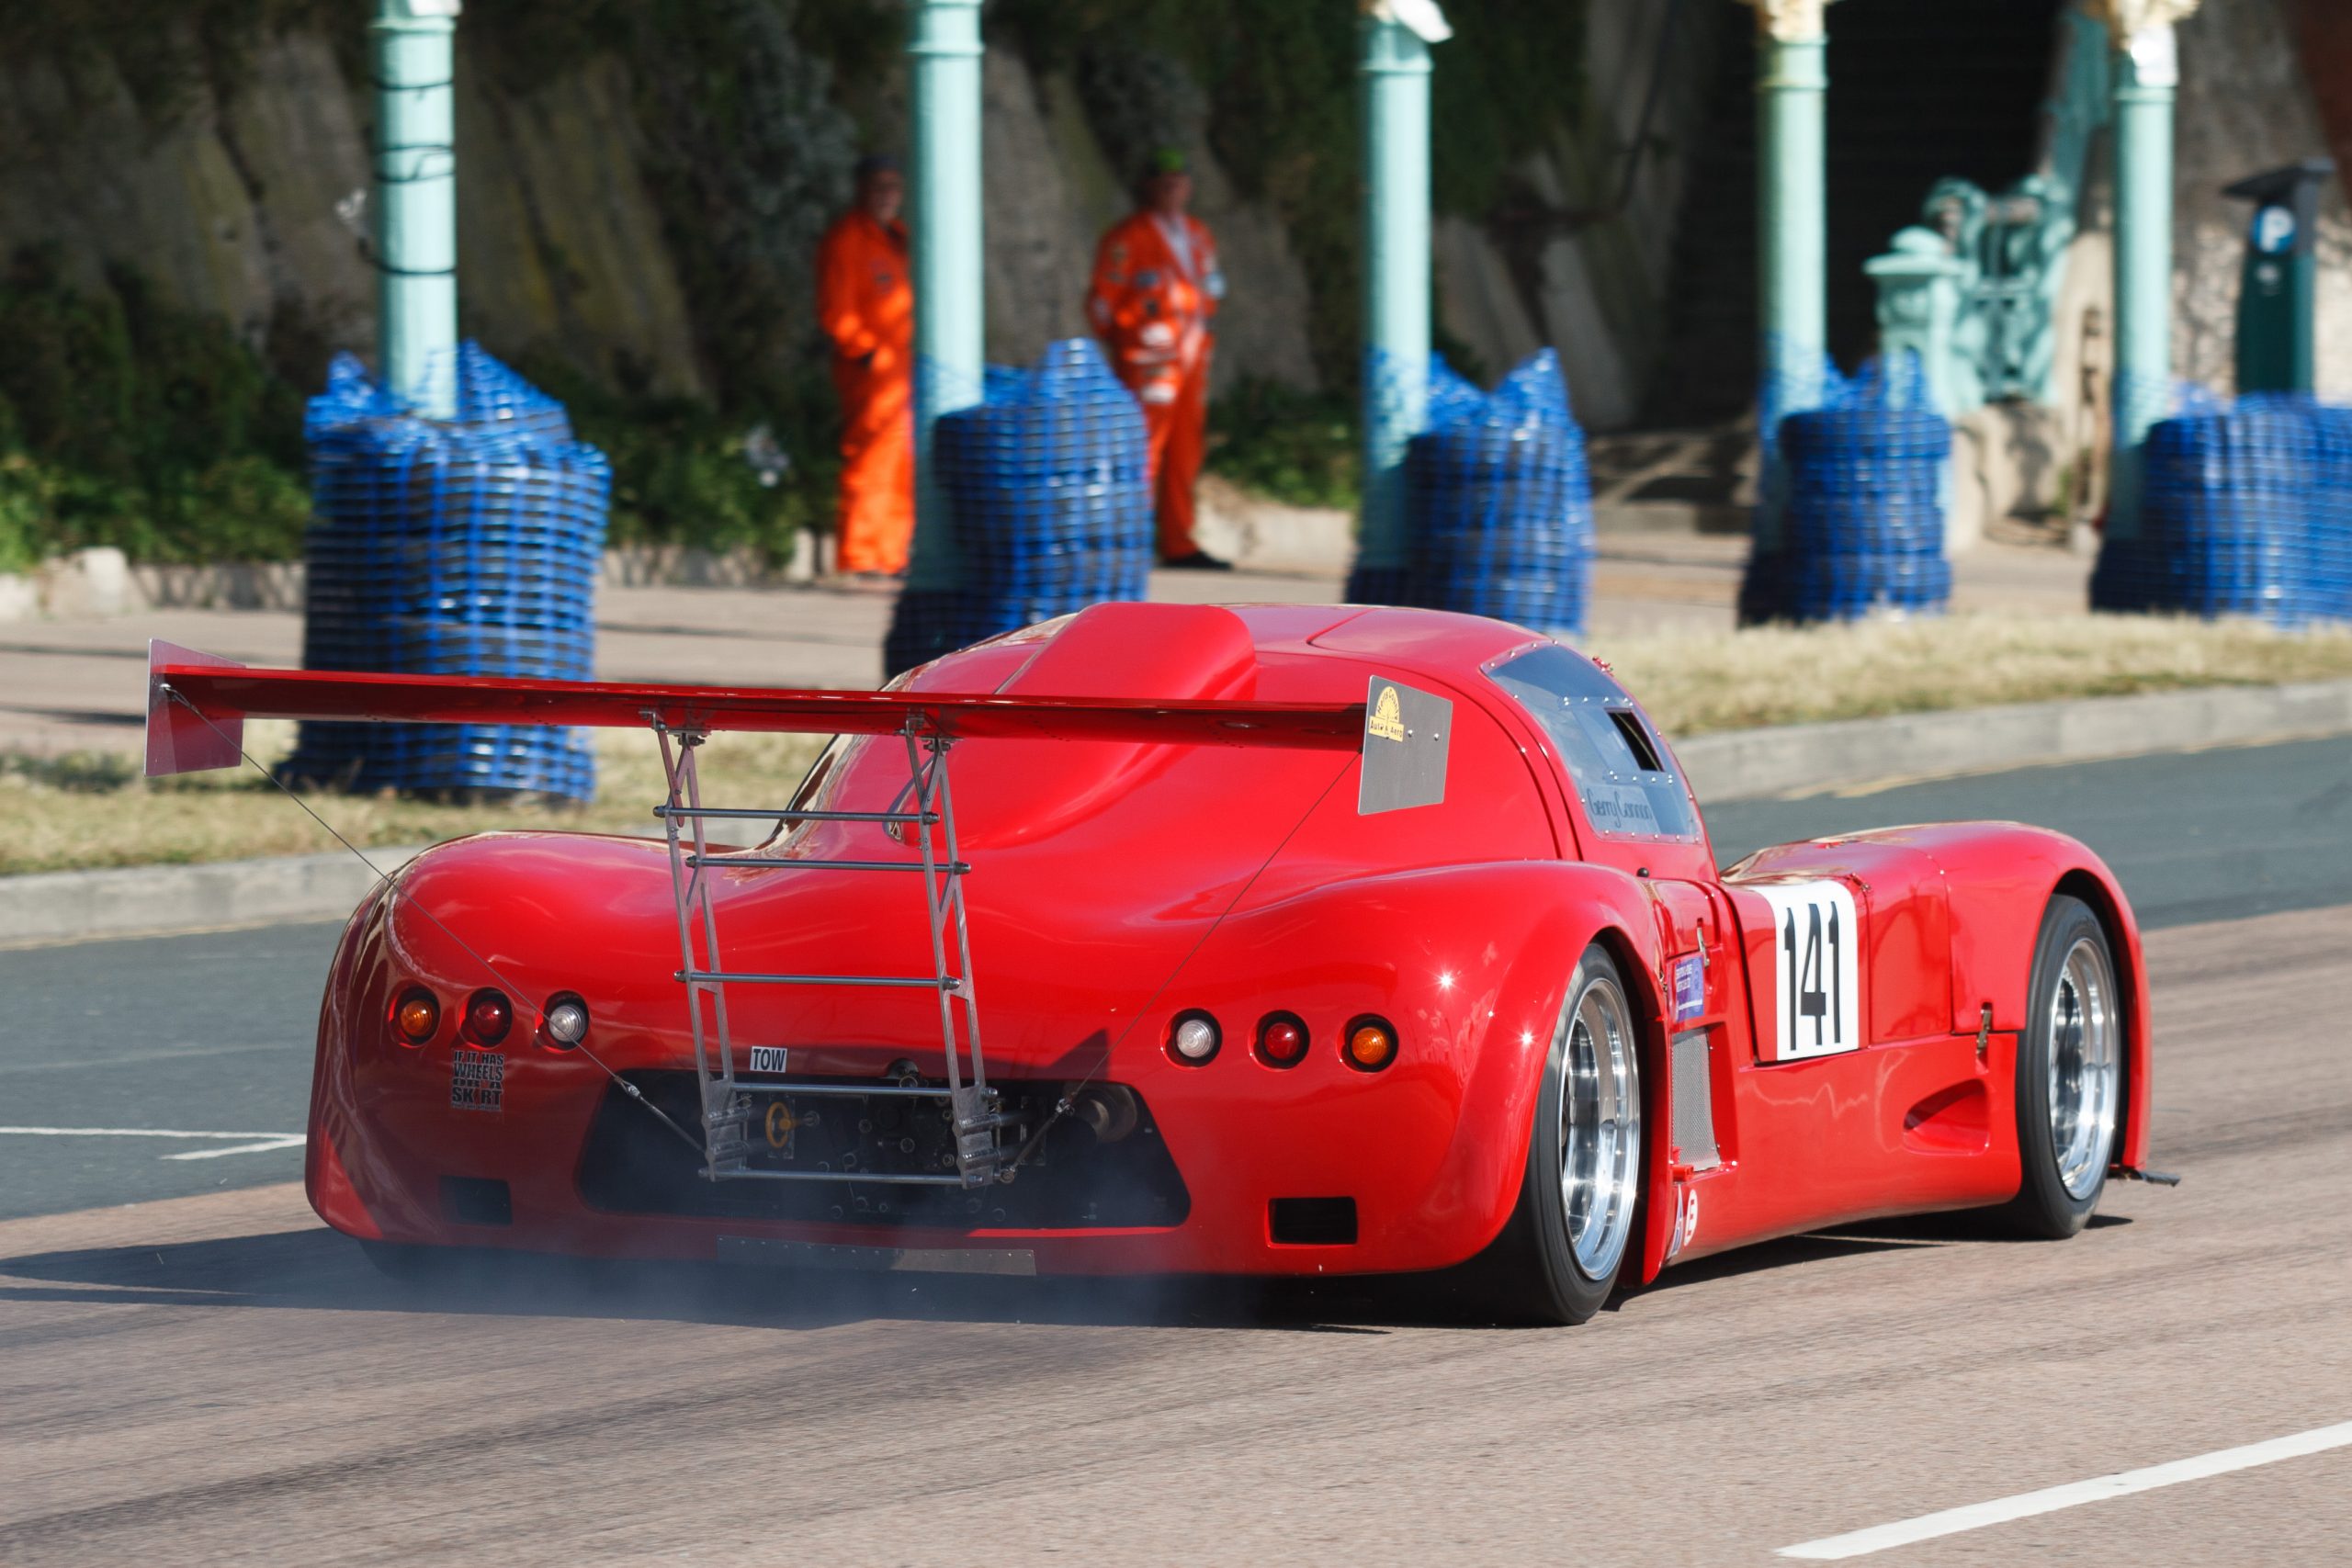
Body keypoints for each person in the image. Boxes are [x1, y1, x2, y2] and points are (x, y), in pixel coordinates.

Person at [1088, 147, 1230, 569]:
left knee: (1186, 450)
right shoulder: (1127, 237)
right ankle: (1130, 540)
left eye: (1179, 181)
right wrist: (1128, 343)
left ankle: (1179, 542)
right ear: (1147, 186)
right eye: (1163, 182)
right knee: (1142, 447)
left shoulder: (1198, 234)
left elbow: (1210, 288)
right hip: (1148, 361)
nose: (1172, 189)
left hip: (1191, 358)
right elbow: (1101, 302)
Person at [817, 154, 915, 579]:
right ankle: (860, 554)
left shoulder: (896, 237)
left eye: (894, 186)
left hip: (900, 367)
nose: (887, 195)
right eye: (879, 186)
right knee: (869, 459)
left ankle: (889, 553)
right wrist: (867, 354)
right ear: (861, 189)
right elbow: (836, 311)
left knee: (899, 461)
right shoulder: (847, 240)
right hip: (871, 370)